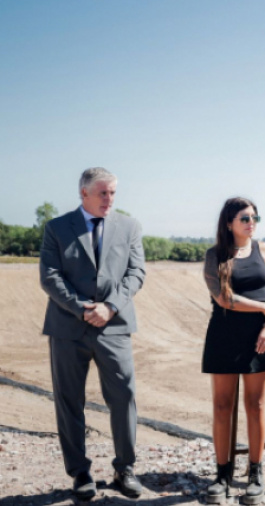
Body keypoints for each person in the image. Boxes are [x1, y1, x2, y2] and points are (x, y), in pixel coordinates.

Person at [39, 167, 146, 500]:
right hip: (68, 327)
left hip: (114, 326)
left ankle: (124, 469)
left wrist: (109, 307)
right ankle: (80, 473)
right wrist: (82, 307)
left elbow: (136, 272)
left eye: (113, 192)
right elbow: (50, 276)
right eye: (103, 193)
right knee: (69, 400)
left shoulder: (129, 227)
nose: (109, 199)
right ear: (83, 193)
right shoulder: (56, 228)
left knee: (124, 396)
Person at [202, 197, 265, 505]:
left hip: (259, 336)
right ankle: (222, 475)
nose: (251, 222)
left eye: (254, 217)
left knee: (255, 405)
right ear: (229, 223)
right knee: (222, 406)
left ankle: (255, 474)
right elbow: (224, 299)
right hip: (223, 334)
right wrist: (264, 308)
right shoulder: (214, 256)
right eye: (245, 218)